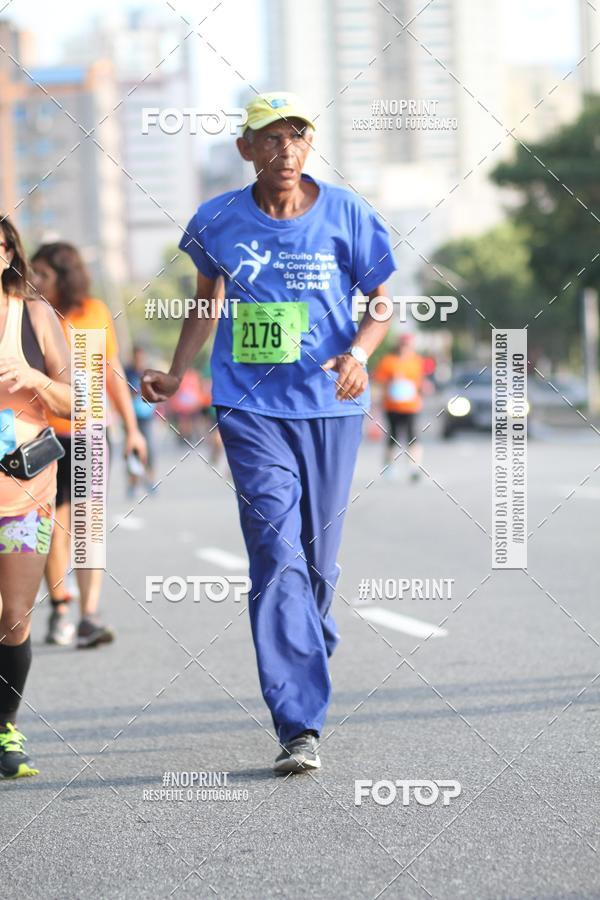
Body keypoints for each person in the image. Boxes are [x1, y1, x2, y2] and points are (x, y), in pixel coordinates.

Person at [142, 92, 396, 774]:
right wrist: (175, 375)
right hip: (248, 407)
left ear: (310, 144)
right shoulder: (217, 219)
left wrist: (361, 353)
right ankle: (299, 723)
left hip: (330, 408)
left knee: (317, 564)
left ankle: (307, 635)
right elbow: (206, 301)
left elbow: (380, 302)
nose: (286, 151)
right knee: (275, 554)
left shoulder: (348, 214)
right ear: (246, 149)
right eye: (271, 139)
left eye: (297, 137)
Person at [30, 243, 146, 648]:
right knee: (53, 527)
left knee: (88, 526)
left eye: (42, 273)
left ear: (63, 275)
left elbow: (111, 372)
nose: (35, 280)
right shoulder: (32, 314)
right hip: (43, 434)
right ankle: (61, 605)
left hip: (90, 432)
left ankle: (89, 615)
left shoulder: (93, 311)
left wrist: (132, 429)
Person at [0, 214, 71, 778]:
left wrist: (35, 379)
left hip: (25, 487)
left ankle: (6, 725)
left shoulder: (37, 315)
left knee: (15, 618)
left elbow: (79, 402)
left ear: (8, 253)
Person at [373, 333, 427, 481]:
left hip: (411, 406)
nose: (405, 348)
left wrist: (425, 387)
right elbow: (379, 382)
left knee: (413, 436)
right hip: (392, 405)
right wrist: (377, 401)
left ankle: (414, 468)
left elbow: (421, 381)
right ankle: (389, 465)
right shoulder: (388, 361)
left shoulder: (416, 361)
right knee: (393, 436)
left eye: (408, 345)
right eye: (403, 344)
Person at [124, 346, 156, 496]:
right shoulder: (127, 372)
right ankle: (133, 483)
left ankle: (151, 481)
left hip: (147, 416)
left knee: (149, 449)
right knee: (133, 452)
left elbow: (156, 391)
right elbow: (121, 391)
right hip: (132, 417)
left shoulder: (148, 372)